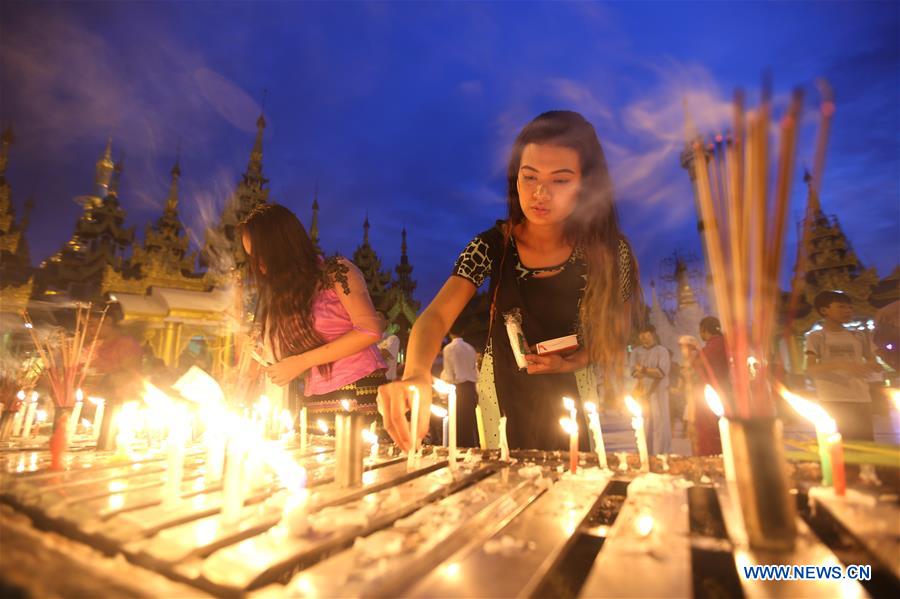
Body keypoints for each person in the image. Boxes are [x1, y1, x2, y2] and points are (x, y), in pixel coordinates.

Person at [378, 110, 641, 451]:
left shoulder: (609, 251)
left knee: (572, 485)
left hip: (573, 385)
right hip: (500, 389)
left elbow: (616, 330)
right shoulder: (491, 246)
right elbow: (437, 316)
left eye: (560, 180)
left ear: (586, 185)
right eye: (529, 177)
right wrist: (415, 373)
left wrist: (573, 360)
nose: (540, 193)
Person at [239, 204, 386, 415]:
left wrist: (300, 363)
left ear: (280, 246)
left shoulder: (336, 272)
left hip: (359, 389)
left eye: (260, 255)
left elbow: (369, 330)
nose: (258, 265)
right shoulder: (287, 294)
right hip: (315, 398)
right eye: (251, 257)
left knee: (356, 448)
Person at [805, 290, 881, 441]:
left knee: (866, 445)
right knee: (839, 447)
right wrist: (841, 364)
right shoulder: (817, 337)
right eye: (841, 307)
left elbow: (873, 361)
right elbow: (810, 369)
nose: (848, 311)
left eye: (850, 307)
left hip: (861, 398)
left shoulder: (858, 336)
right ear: (824, 310)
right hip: (832, 399)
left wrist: (873, 366)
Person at [630, 325, 671, 454]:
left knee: (660, 424)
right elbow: (633, 372)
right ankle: (643, 454)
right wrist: (647, 372)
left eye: (646, 333)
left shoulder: (662, 351)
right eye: (640, 334)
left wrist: (643, 370)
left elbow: (661, 372)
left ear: (652, 333)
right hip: (642, 394)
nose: (643, 337)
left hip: (659, 393)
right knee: (643, 424)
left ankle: (661, 454)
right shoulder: (636, 352)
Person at [679, 334, 721, 456]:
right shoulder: (689, 363)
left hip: (701, 404)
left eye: (685, 348)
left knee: (703, 436)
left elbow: (698, 385)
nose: (683, 351)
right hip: (694, 402)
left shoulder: (697, 362)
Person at [440, 329, 479, 447]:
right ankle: (472, 447)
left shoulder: (448, 349)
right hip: (471, 388)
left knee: (458, 423)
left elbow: (449, 373)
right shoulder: (470, 348)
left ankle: (460, 450)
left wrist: (444, 393)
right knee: (470, 422)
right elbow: (474, 370)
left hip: (458, 389)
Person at [377, 314, 401, 381]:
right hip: (371, 381)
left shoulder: (392, 339)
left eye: (378, 316)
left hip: (387, 381)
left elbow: (381, 355)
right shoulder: (369, 341)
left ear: (387, 322)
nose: (375, 319)